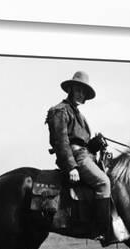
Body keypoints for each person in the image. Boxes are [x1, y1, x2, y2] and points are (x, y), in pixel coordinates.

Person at [45, 71, 111, 240]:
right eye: (79, 90)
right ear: (71, 89)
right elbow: (60, 141)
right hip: (77, 158)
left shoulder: (79, 114)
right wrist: (71, 166)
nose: (81, 94)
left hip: (85, 155)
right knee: (104, 183)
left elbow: (83, 143)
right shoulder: (60, 110)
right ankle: (103, 230)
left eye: (84, 92)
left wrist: (94, 144)